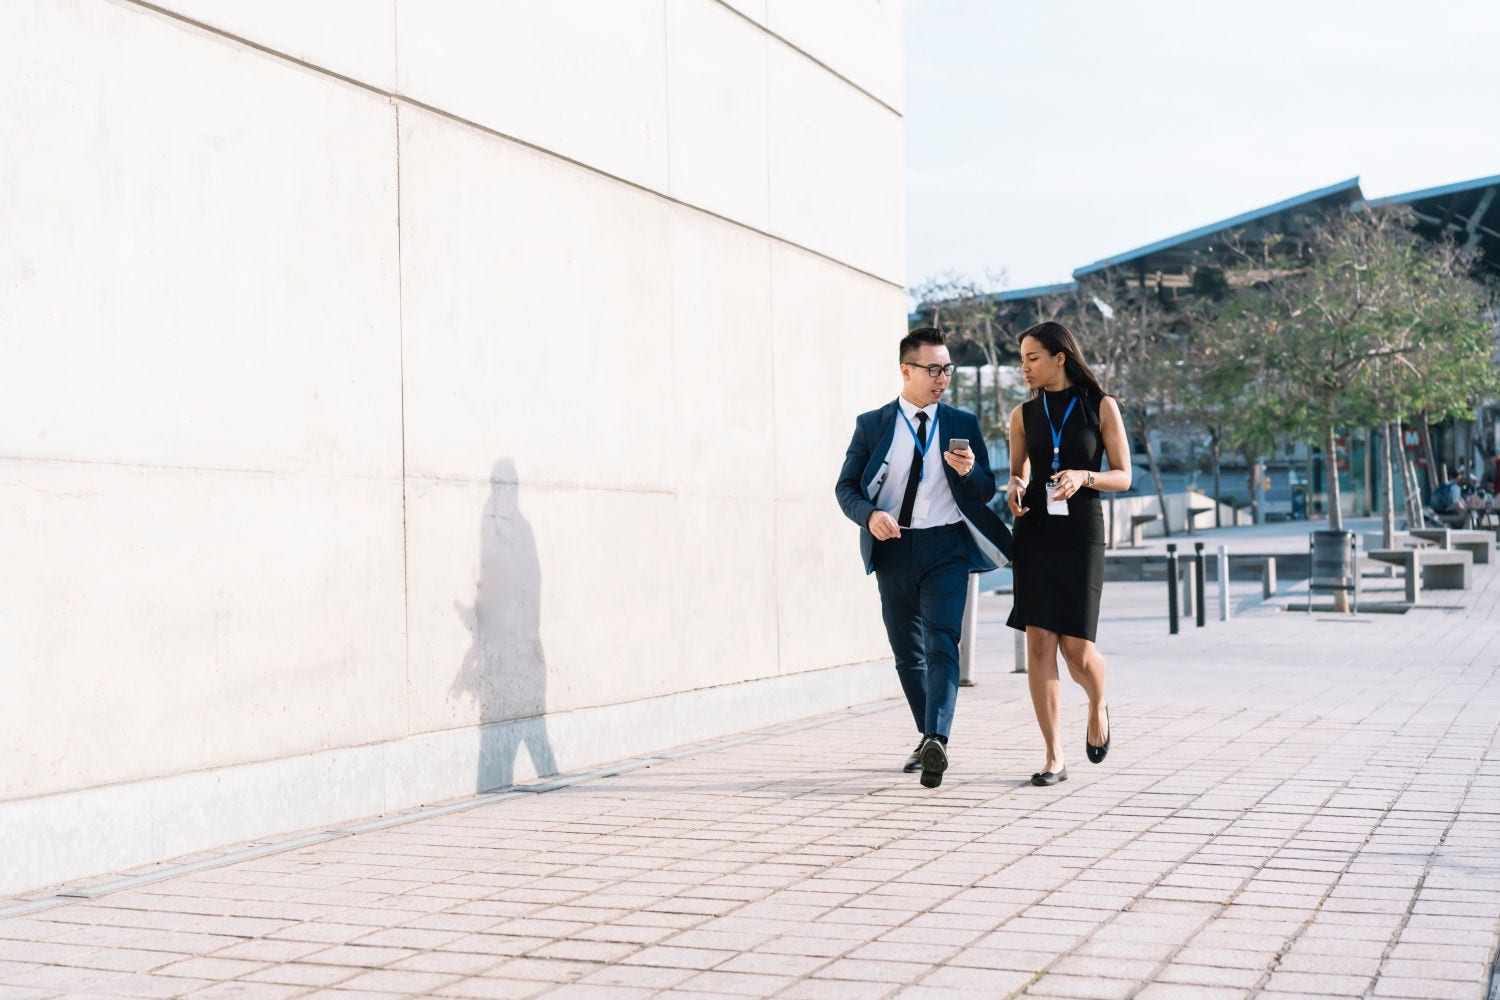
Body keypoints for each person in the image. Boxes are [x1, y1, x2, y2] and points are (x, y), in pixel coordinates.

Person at [836, 327, 1012, 789]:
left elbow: (985, 491)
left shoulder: (961, 422)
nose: (942, 378)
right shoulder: (872, 425)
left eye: (947, 369)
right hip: (893, 546)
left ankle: (938, 737)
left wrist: (971, 471)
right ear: (906, 370)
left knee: (942, 642)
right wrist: (870, 515)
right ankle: (926, 734)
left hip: (947, 546)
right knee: (907, 653)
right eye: (933, 369)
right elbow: (846, 488)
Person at [1005, 322, 1131, 788]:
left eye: (1032, 358)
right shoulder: (1021, 415)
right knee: (1038, 641)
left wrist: (1084, 476)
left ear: (1060, 357)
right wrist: (1015, 487)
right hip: (1035, 529)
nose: (1024, 368)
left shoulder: (1101, 406)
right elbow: (1018, 473)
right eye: (1021, 360)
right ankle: (1053, 755)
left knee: (1077, 651)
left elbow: (1123, 476)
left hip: (1081, 532)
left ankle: (1098, 704)